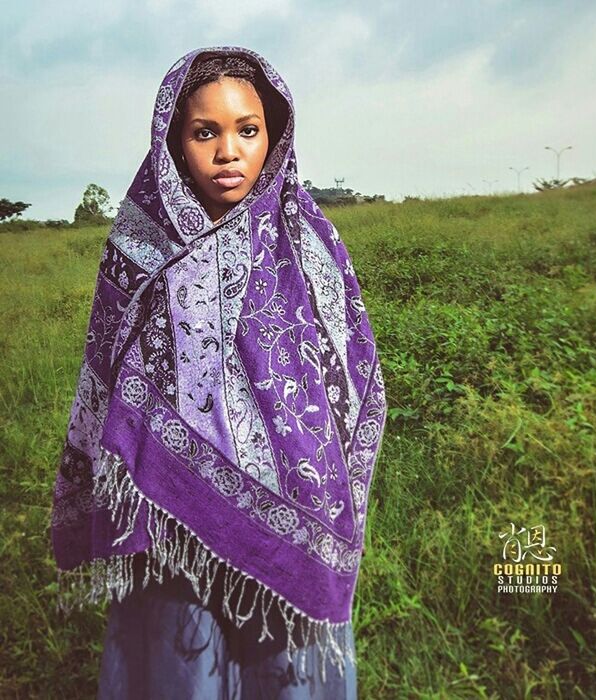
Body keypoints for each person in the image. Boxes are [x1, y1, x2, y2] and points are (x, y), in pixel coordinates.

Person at [50, 46, 387, 700]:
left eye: (247, 130)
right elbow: (107, 374)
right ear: (176, 140)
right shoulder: (142, 241)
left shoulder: (309, 238)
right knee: (183, 666)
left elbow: (352, 373)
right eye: (205, 132)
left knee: (283, 676)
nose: (228, 150)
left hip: (294, 517)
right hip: (173, 525)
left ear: (274, 134)